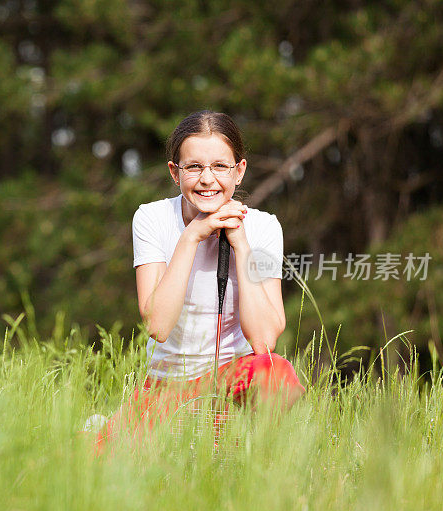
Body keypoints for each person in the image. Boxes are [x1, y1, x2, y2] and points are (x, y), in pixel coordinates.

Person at [95, 110, 304, 451]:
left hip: (229, 381)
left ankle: (255, 462)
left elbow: (265, 341)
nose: (207, 179)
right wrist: (192, 236)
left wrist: (240, 243)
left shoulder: (264, 227)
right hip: (167, 385)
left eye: (220, 166)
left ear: (240, 171)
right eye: (194, 167)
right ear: (175, 173)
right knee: (94, 464)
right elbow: (158, 325)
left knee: (274, 374)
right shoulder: (152, 218)